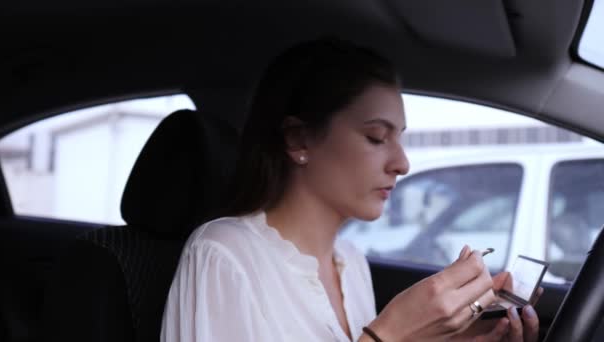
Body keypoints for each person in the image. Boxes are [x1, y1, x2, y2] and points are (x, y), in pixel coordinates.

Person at [160, 37, 541, 341]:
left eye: (399, 139)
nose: (402, 164)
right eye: (376, 137)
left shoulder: (351, 263)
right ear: (299, 139)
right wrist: (389, 336)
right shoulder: (224, 254)